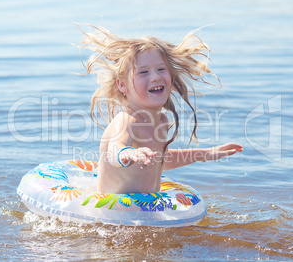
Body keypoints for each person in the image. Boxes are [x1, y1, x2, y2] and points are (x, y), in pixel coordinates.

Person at [76, 24, 242, 194]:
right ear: (122, 84)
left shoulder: (161, 121)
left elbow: (158, 162)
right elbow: (113, 150)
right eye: (143, 72)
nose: (155, 77)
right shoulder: (127, 120)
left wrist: (203, 154)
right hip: (116, 214)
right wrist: (126, 154)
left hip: (145, 208)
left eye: (161, 69)